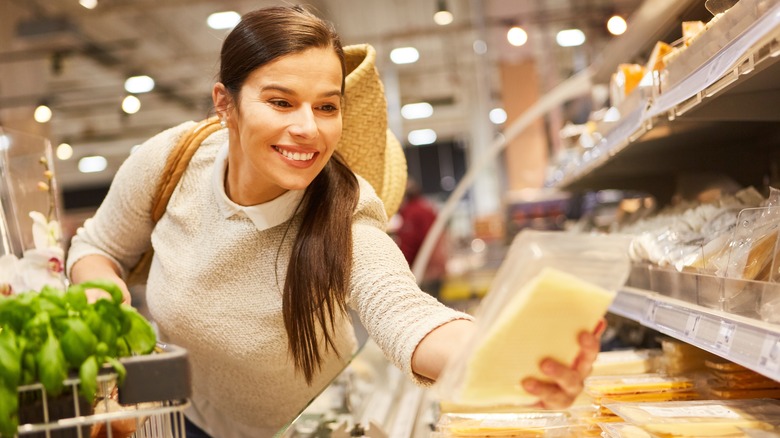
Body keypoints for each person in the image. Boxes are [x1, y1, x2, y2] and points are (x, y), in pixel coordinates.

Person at [66, 6, 605, 437]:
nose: (308, 128)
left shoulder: (344, 214)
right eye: (281, 102)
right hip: (178, 419)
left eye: (327, 107)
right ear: (225, 105)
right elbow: (97, 246)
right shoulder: (171, 162)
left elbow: (406, 313)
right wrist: (99, 289)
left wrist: (507, 351)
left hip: (306, 424)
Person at [396, 178, 447, 299]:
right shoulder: (427, 208)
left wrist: (402, 270)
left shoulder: (412, 213)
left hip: (425, 273)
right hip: (437, 271)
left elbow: (409, 244)